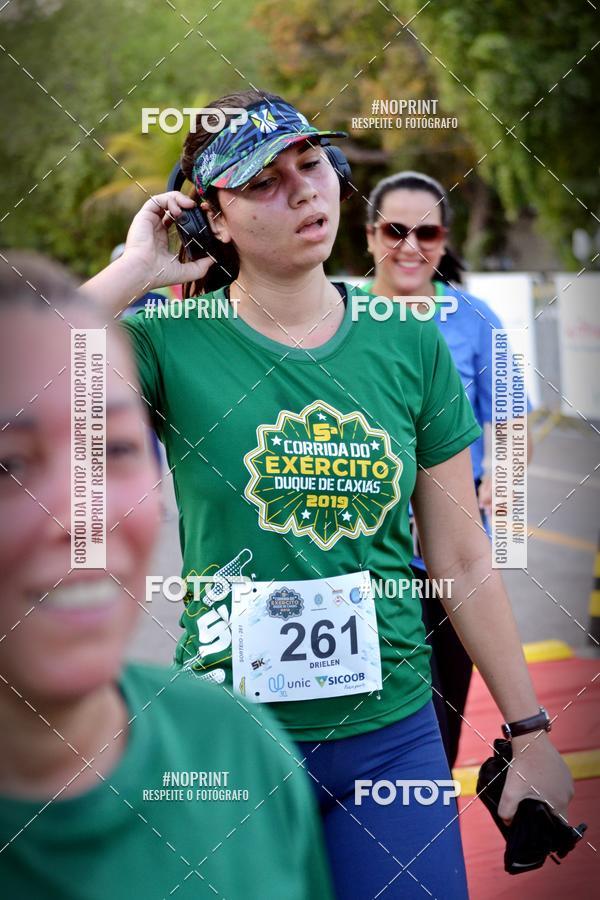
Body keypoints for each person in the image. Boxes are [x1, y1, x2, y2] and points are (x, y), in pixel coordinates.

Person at [82, 89, 573, 900]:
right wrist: (136, 269)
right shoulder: (164, 343)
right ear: (213, 218)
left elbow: (460, 555)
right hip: (227, 739)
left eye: (311, 165)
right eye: (263, 182)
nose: (303, 191)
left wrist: (529, 733)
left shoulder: (408, 338)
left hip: (393, 740)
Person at [0, 252, 334, 900]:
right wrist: (137, 269)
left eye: (114, 448)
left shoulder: (237, 745)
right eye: (9, 464)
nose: (83, 515)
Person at [363, 171, 533, 769]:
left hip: (447, 569)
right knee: (365, 736)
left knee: (438, 731)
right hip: (358, 565)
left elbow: (511, 420)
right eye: (395, 231)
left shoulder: (475, 320)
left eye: (427, 232)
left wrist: (497, 489)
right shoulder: (338, 315)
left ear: (445, 239)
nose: (410, 246)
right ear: (369, 235)